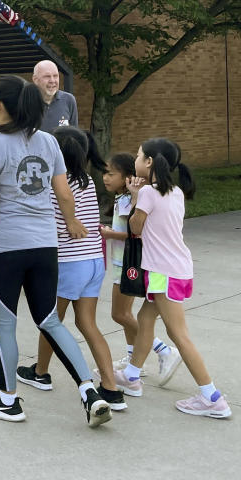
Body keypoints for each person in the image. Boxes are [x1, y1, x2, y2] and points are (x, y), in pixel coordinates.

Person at [0, 75, 112, 427]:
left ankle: (7, 400)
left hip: (6, 249)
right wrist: (72, 222)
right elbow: (64, 194)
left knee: (4, 325)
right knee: (49, 320)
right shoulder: (48, 141)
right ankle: (90, 393)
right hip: (46, 246)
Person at [114, 138, 231, 418]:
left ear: (150, 162)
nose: (136, 160)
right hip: (173, 269)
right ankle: (131, 375)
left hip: (164, 273)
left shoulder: (148, 194)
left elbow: (135, 228)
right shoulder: (175, 191)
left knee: (178, 335)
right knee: (144, 319)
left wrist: (133, 197)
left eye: (140, 156)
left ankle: (211, 397)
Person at [15, 127, 126, 411]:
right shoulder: (87, 180)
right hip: (93, 261)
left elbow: (53, 225)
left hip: (68, 264)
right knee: (87, 323)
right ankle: (112, 389)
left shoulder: (56, 186)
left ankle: (40, 373)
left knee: (51, 322)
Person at [99, 153, 178, 375]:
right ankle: (133, 359)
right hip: (122, 264)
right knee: (125, 314)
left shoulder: (129, 200)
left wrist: (108, 233)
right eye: (105, 173)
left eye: (111, 174)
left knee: (120, 314)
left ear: (127, 177)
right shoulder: (121, 199)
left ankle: (163, 349)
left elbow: (133, 234)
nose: (105, 178)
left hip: (128, 266)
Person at [32, 60, 78, 133]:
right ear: (35, 80)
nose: (52, 80)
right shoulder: (26, 102)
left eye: (55, 76)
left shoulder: (68, 100)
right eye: (47, 76)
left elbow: (74, 135)